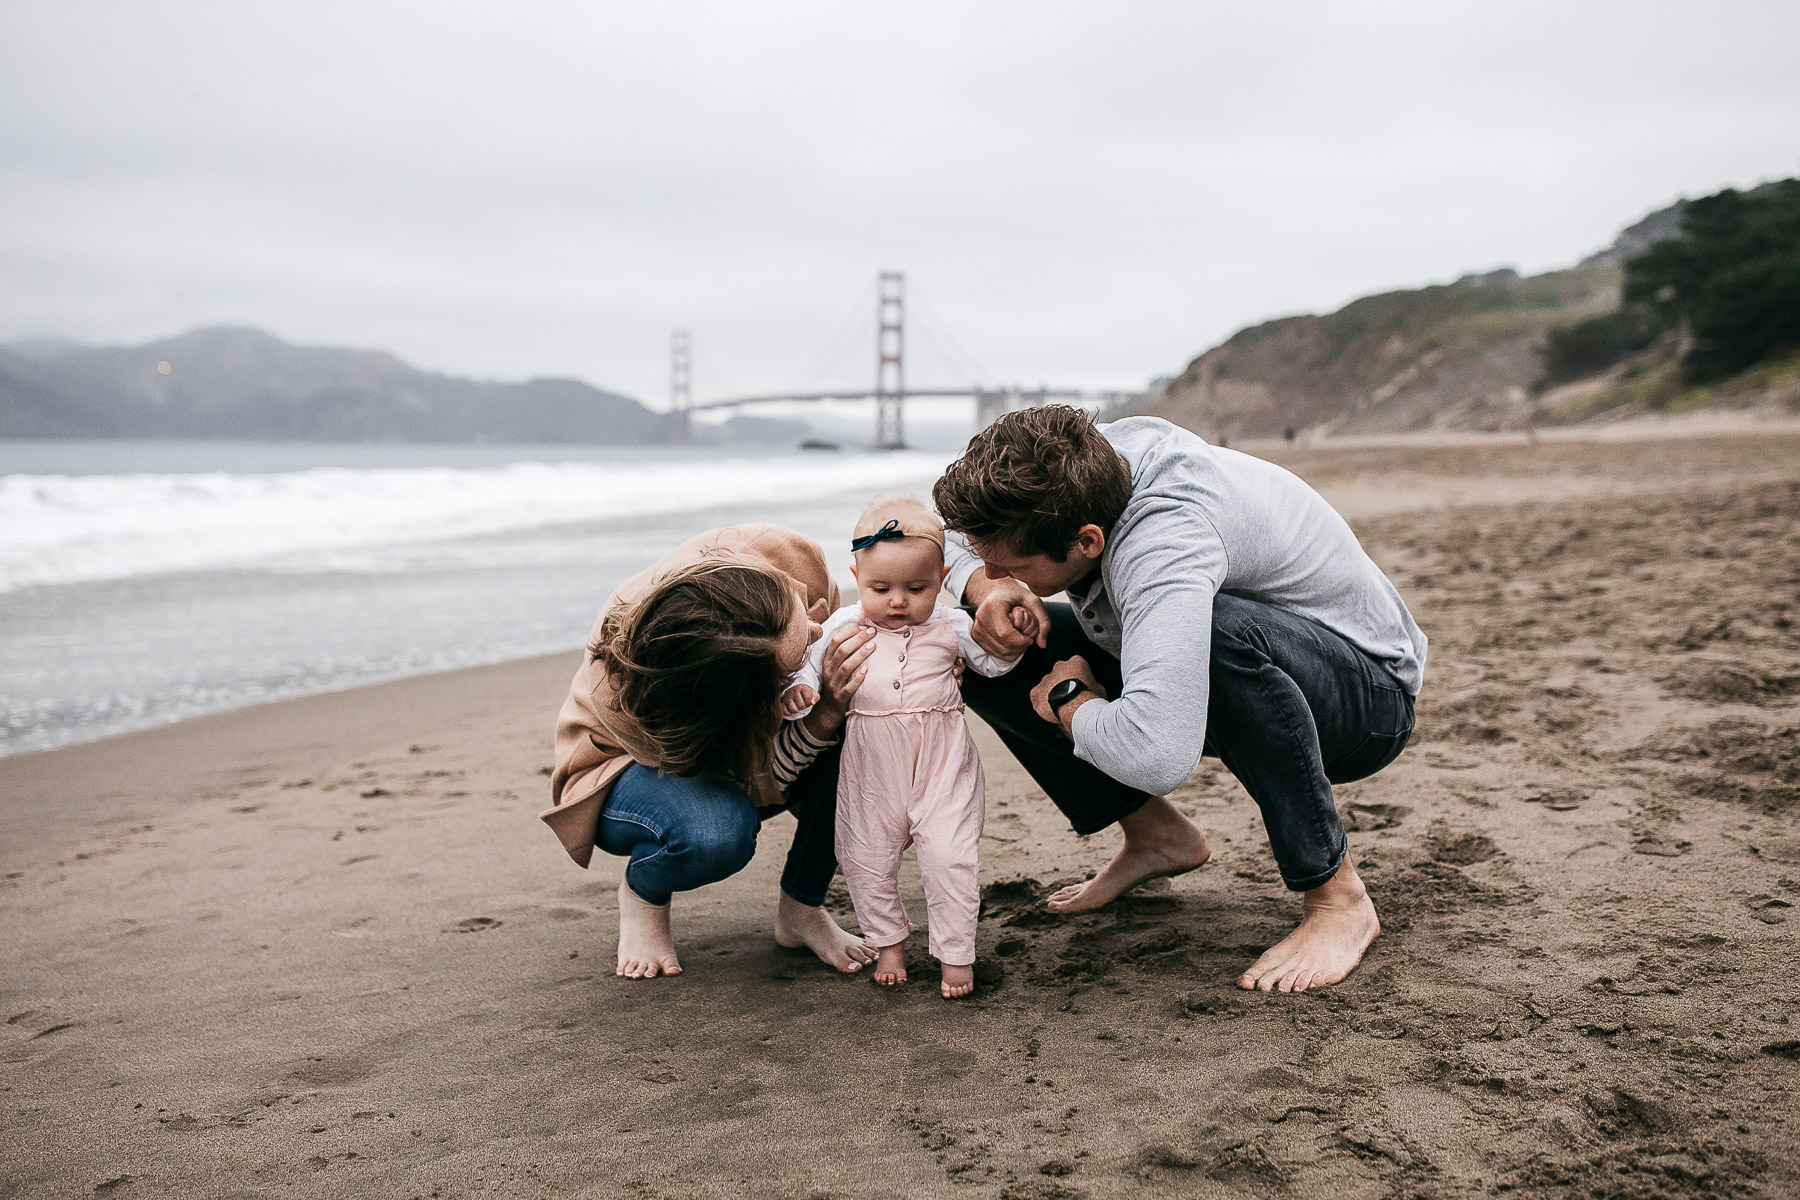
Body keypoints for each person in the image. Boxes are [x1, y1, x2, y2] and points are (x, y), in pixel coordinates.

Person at [932, 407, 1428, 994]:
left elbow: (1159, 756)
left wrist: (1070, 698)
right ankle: (1157, 838)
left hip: (1361, 704)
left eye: (1010, 564)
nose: (993, 569)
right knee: (971, 647)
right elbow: (946, 536)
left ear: (1087, 540)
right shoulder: (1078, 464)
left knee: (1218, 633)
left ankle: (1337, 900)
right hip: (1235, 668)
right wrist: (990, 589)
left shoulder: (1165, 542)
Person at [543, 524, 879, 980]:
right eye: (799, 654)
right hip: (622, 763)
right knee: (717, 831)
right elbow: (751, 784)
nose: (819, 633)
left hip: (755, 726)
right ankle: (643, 891)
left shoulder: (791, 557)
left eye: (802, 620)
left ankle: (802, 909)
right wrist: (820, 719)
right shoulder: (637, 693)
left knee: (869, 742)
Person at [780, 498, 1019, 998]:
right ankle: (887, 943)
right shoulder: (845, 624)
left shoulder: (950, 626)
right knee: (866, 854)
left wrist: (1011, 643)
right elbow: (805, 661)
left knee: (951, 855)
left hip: (943, 759)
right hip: (871, 761)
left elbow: (991, 664)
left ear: (941, 576)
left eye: (917, 588)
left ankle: (956, 955)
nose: (897, 602)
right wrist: (799, 691)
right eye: (880, 588)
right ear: (856, 575)